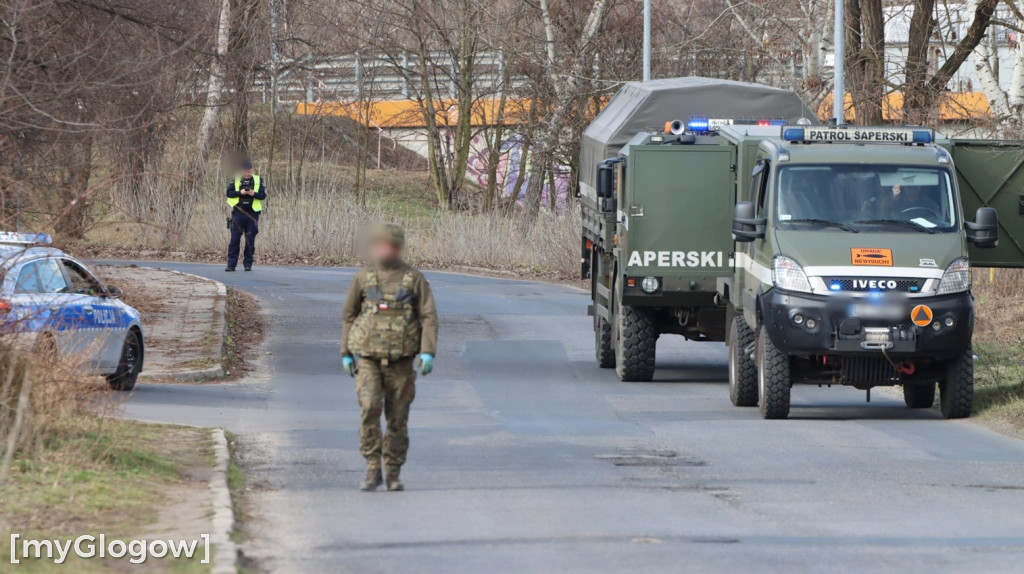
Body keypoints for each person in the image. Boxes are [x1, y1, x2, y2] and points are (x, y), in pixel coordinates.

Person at [341, 223, 438, 492]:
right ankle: (373, 468)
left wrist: (428, 351)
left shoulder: (414, 279)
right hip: (369, 360)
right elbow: (349, 315)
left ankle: (393, 471)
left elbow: (428, 316)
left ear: (399, 248)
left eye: (392, 246)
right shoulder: (363, 278)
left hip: (402, 362)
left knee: (397, 418)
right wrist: (346, 353)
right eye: (383, 245)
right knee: (370, 408)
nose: (387, 250)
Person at [225, 159, 266, 272]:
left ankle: (248, 264)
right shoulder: (236, 179)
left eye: (249, 171)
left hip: (252, 214)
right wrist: (240, 193)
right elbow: (229, 193)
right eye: (245, 171)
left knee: (250, 240)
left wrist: (254, 194)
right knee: (234, 240)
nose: (247, 173)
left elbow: (263, 196)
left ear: (252, 170)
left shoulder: (258, 180)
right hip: (238, 214)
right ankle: (231, 265)